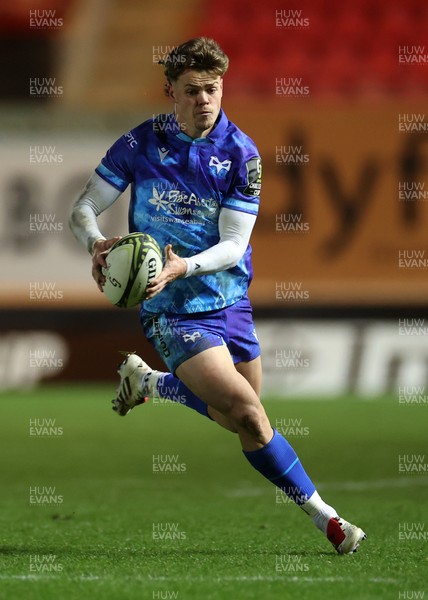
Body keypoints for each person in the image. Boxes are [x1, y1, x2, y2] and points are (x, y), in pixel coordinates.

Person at [69, 37, 366, 554]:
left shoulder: (240, 155)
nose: (205, 99)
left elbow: (233, 245)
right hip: (171, 308)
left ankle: (151, 385)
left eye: (212, 88)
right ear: (170, 92)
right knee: (251, 416)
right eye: (193, 90)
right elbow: (82, 209)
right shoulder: (140, 144)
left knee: (240, 421)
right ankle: (330, 520)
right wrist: (95, 244)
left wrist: (184, 263)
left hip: (229, 301)